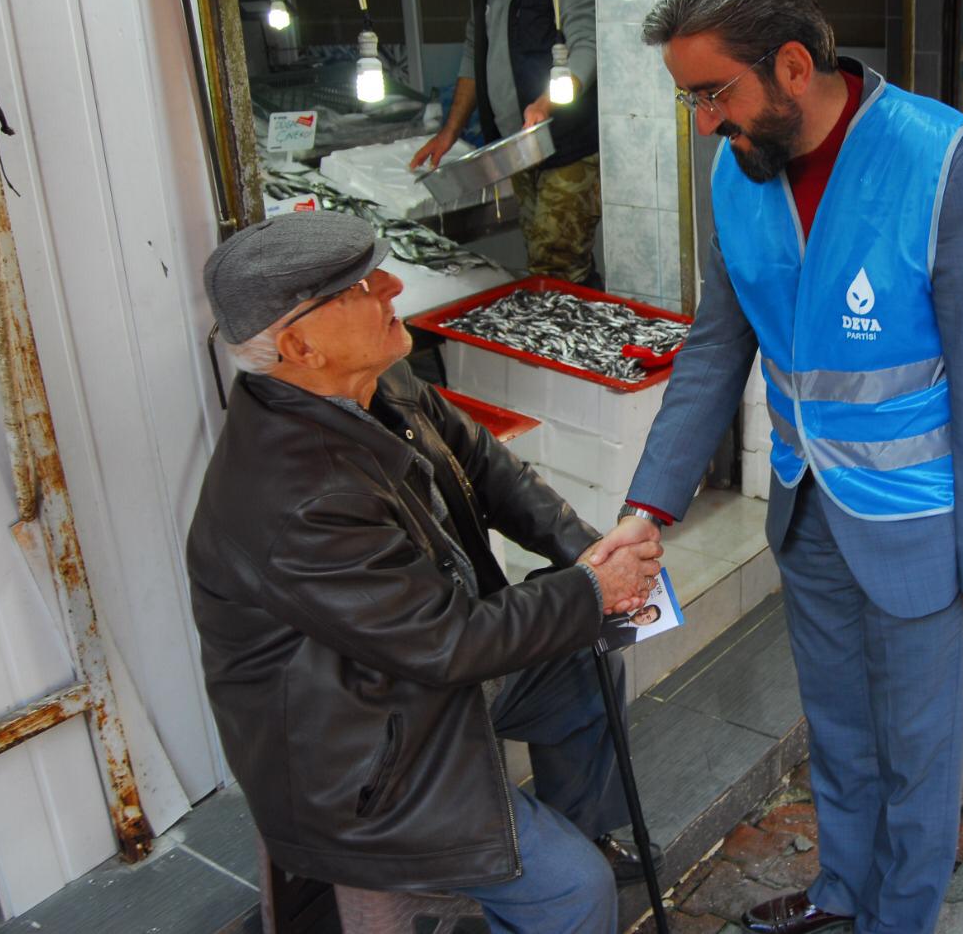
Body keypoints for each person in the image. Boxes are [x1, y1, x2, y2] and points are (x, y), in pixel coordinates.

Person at [587, 0, 963, 934]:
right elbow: (716, 346)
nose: (702, 119)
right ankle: (841, 898)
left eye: (714, 92)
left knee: (918, 755)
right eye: (692, 99)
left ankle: (899, 920)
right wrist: (646, 512)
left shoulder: (945, 162)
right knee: (836, 735)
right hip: (805, 511)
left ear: (793, 64)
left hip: (920, 523)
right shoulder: (736, 173)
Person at [187, 211, 664, 933]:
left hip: (410, 692)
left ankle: (580, 830)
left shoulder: (375, 380)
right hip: (364, 768)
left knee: (582, 656)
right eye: (357, 286)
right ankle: (556, 879)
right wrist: (597, 589)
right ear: (298, 344)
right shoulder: (295, 499)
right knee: (575, 894)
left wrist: (589, 552)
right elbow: (448, 642)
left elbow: (484, 465)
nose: (392, 284)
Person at [410, 0, 603, 287]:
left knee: (557, 264)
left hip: (569, 145)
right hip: (521, 147)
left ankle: (571, 345)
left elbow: (589, 47)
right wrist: (449, 131)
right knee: (544, 258)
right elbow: (473, 50)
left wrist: (553, 97)